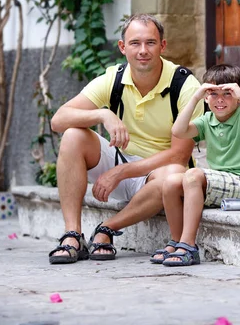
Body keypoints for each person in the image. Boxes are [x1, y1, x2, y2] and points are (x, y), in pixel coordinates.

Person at [48, 14, 203, 264]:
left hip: (157, 175)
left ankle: (106, 229)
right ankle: (73, 235)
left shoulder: (184, 85)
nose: (143, 51)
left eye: (151, 43)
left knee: (174, 172)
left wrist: (121, 172)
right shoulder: (115, 78)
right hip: (120, 159)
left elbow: (179, 155)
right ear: (122, 47)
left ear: (162, 46)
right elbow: (58, 120)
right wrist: (103, 114)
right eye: (135, 43)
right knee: (73, 136)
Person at [150, 64, 240, 266]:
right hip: (216, 182)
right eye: (213, 94)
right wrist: (195, 98)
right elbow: (179, 131)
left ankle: (188, 245)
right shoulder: (207, 120)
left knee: (191, 175)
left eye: (227, 94)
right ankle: (176, 240)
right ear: (206, 97)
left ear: (236, 95)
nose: (220, 100)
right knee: (171, 181)